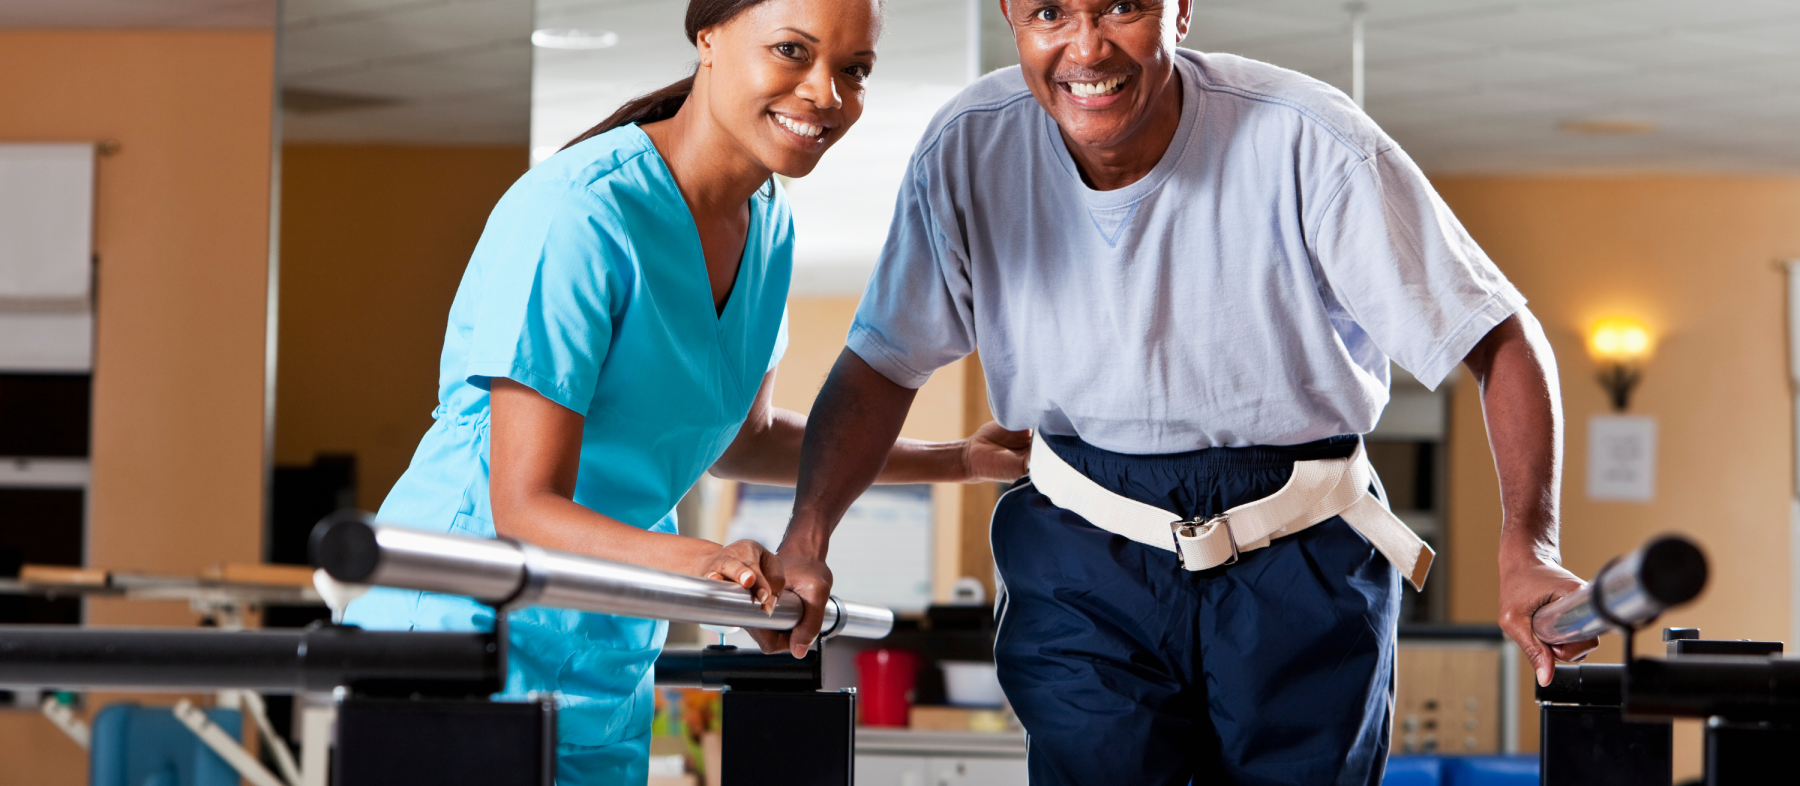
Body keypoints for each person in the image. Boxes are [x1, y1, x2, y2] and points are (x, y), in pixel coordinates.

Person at [753, 0, 1600, 783]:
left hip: (1300, 544)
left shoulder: (1307, 137)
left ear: (1180, 8)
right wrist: (807, 534)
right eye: (1050, 11)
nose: (1087, 47)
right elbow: (881, 364)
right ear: (1011, 14)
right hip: (1085, 545)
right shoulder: (971, 147)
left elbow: (1497, 339)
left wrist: (1528, 546)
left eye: (1122, 5)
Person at [342, 0, 1029, 782]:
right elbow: (523, 503)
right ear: (708, 36)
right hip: (460, 635)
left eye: (853, 70)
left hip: (601, 651)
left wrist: (961, 461)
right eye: (792, 51)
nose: (826, 93)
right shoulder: (579, 213)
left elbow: (744, 439)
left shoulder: (769, 225)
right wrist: (710, 563)